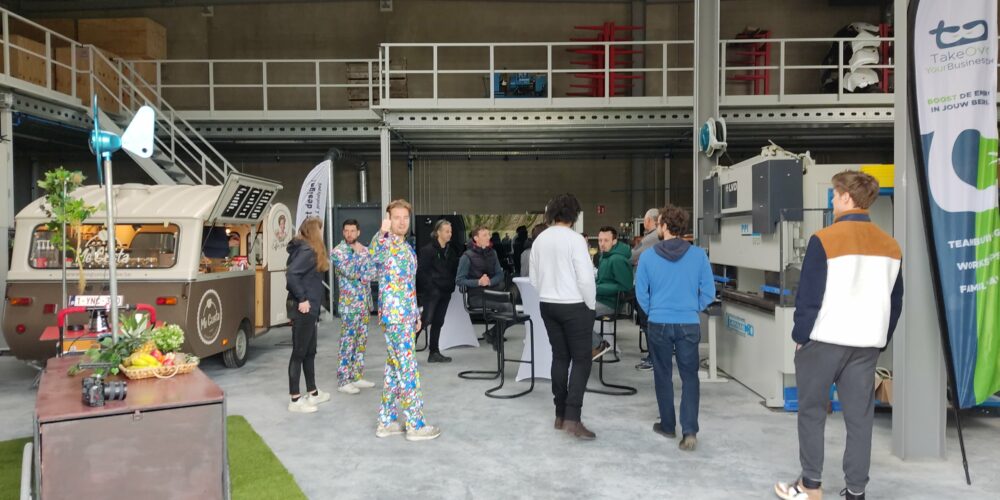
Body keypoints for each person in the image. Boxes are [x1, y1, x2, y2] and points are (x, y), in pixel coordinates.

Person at [774, 171, 902, 500]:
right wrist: (881, 339)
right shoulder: (891, 246)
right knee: (860, 420)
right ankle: (856, 491)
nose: (833, 200)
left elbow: (809, 296)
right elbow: (895, 301)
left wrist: (800, 335)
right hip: (866, 346)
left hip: (824, 342)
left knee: (813, 413)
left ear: (847, 197)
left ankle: (810, 485)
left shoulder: (824, 239)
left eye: (835, 194)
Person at [635, 206, 715, 452]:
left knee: (662, 374)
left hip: (658, 322)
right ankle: (689, 431)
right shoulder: (698, 255)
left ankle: (668, 425)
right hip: (688, 323)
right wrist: (692, 308)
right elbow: (709, 292)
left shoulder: (648, 256)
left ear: (664, 226)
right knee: (690, 377)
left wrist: (653, 311)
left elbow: (640, 291)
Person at [370, 199, 441, 441]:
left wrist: (415, 314)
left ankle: (386, 421)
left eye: (405, 218)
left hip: (405, 315)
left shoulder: (406, 246)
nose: (401, 222)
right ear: (388, 219)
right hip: (394, 317)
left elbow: (408, 285)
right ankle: (415, 425)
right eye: (396, 217)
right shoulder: (385, 242)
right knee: (408, 369)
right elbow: (373, 257)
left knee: (394, 369)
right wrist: (382, 233)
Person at [530, 193, 597, 441]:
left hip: (548, 305)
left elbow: (534, 278)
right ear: (574, 215)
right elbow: (586, 278)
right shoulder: (575, 240)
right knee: (581, 360)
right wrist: (590, 306)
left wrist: (548, 292)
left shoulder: (540, 239)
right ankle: (573, 417)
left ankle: (559, 414)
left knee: (560, 357)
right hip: (574, 306)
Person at [284, 217, 332, 414]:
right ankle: (295, 400)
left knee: (309, 352)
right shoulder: (306, 251)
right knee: (299, 353)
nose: (322, 233)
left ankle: (313, 392)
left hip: (310, 308)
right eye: (320, 229)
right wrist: (302, 299)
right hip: (303, 308)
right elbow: (291, 275)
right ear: (314, 232)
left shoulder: (308, 249)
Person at [331, 219, 376, 395]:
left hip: (364, 304)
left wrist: (363, 267)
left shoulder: (364, 250)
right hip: (349, 306)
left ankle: (357, 376)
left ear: (358, 232)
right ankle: (344, 380)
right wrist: (361, 258)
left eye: (352, 231)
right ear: (343, 232)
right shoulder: (338, 251)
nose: (349, 234)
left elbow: (372, 273)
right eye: (346, 231)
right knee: (347, 343)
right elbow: (351, 272)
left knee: (361, 342)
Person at [416, 219, 460, 363]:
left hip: (446, 292)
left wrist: (450, 286)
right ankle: (408, 350)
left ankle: (434, 352)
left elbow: (453, 270)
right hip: (432, 293)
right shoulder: (427, 250)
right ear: (438, 232)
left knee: (438, 321)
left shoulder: (451, 251)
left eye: (450, 231)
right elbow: (421, 272)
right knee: (425, 320)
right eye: (447, 231)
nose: (450, 234)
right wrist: (431, 288)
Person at [457, 226, 505, 344]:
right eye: (485, 235)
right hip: (476, 296)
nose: (489, 237)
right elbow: (459, 280)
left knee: (511, 308)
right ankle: (494, 334)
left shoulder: (493, 253)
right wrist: (478, 282)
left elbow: (500, 274)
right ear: (476, 238)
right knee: (505, 308)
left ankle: (493, 333)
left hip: (492, 292)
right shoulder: (466, 256)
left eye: (489, 234)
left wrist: (489, 281)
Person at [591, 226, 633, 360]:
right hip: (600, 299)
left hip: (611, 304)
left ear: (614, 241)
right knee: (575, 312)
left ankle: (598, 345)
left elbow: (626, 286)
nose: (602, 244)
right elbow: (603, 280)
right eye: (600, 240)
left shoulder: (617, 259)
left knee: (578, 316)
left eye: (606, 240)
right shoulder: (605, 256)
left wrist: (597, 288)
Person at [632, 207, 661, 371]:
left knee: (647, 322)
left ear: (649, 220)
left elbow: (632, 256)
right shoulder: (654, 237)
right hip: (653, 285)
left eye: (644, 219)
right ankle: (653, 356)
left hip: (648, 287)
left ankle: (653, 358)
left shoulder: (652, 237)